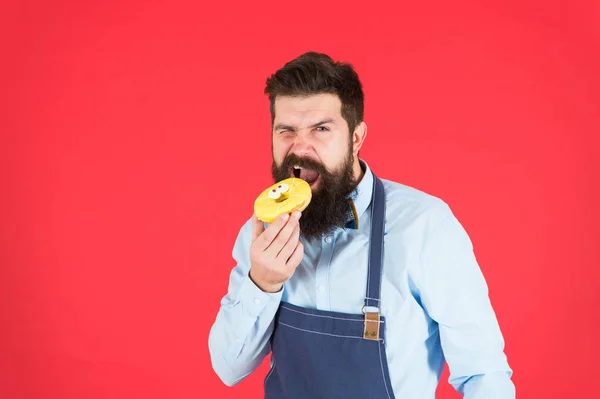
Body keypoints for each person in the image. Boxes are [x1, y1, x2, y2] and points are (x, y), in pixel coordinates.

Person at [208, 52, 515, 398]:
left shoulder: (425, 228)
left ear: (356, 138)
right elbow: (228, 369)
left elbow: (484, 375)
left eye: (321, 129)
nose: (300, 147)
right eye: (286, 131)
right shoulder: (263, 236)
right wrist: (262, 283)